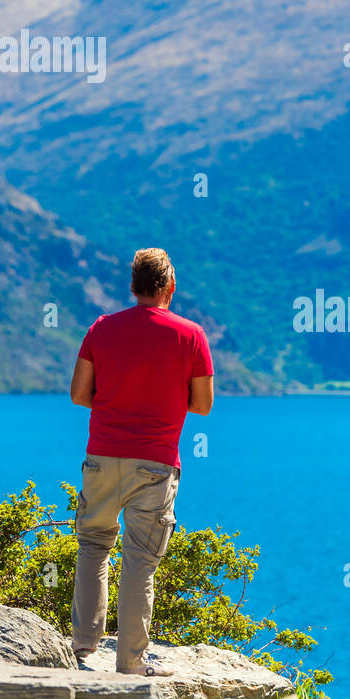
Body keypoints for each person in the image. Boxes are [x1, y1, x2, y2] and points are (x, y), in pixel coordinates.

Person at [69, 247, 214, 676]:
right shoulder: (191, 335)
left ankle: (82, 652)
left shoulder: (102, 328)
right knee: (139, 561)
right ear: (170, 287)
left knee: (94, 548)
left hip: (102, 456)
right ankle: (131, 664)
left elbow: (79, 394)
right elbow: (203, 405)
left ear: (133, 287)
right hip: (155, 463)